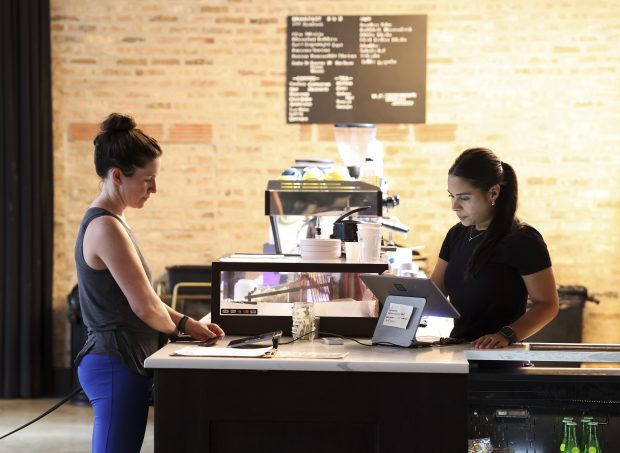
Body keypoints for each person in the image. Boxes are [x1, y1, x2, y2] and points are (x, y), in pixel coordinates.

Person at [74, 113, 225, 453]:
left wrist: (186, 326)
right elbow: (144, 305)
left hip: (122, 360)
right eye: (147, 180)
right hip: (115, 363)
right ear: (117, 176)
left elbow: (149, 302)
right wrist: (188, 326)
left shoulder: (114, 222)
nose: (154, 189)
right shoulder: (105, 228)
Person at [430, 148, 559, 349]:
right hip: (459, 352)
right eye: (451, 196)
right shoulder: (456, 235)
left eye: (464, 197)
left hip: (499, 356)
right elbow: (434, 294)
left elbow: (547, 305)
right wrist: (393, 291)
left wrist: (505, 335)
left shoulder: (523, 239)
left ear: (493, 192)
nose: (454, 206)